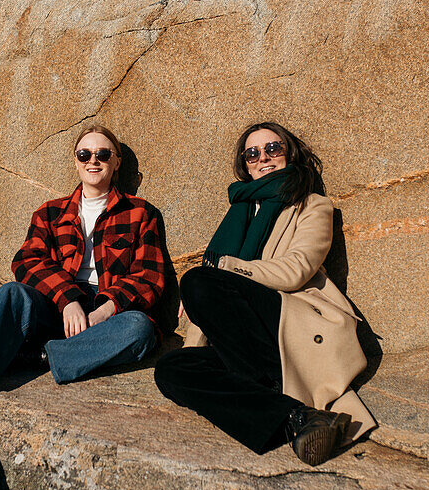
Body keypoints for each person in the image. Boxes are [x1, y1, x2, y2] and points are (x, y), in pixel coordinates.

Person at [154, 121, 376, 466]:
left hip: (292, 326)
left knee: (198, 280)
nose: (263, 158)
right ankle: (299, 418)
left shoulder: (312, 204)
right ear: (244, 164)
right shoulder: (239, 211)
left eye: (273, 148)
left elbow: (297, 268)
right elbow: (212, 298)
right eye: (252, 154)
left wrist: (223, 271)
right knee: (170, 369)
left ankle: (267, 392)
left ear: (289, 153)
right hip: (248, 348)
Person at [0, 125, 164, 415]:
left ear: (117, 162)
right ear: (76, 161)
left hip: (107, 315)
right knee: (12, 293)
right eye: (84, 154)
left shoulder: (141, 213)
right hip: (57, 307)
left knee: (140, 329)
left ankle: (39, 357)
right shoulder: (50, 212)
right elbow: (27, 260)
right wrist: (67, 299)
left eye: (103, 154)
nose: (93, 161)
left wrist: (106, 309)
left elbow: (150, 276)